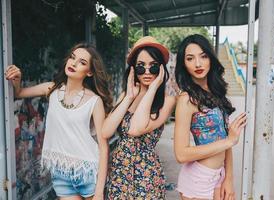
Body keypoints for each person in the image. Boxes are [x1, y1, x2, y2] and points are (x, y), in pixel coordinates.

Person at [5, 43, 112, 200]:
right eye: (72, 57)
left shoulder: (94, 101)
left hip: (88, 171)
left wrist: (100, 191)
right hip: (61, 170)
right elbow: (19, 93)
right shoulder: (52, 89)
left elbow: (103, 147)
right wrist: (17, 79)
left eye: (82, 62)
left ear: (89, 72)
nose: (73, 63)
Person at [174, 34, 247, 200]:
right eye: (190, 58)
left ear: (211, 59)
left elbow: (225, 141)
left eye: (203, 56)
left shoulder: (216, 93)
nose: (198, 64)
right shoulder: (187, 99)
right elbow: (181, 154)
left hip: (218, 175)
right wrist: (229, 140)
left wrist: (228, 179)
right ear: (184, 64)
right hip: (198, 180)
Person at [102, 36, 176, 199]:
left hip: (146, 175)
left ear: (162, 69)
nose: (147, 72)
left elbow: (136, 129)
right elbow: (106, 132)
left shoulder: (167, 101)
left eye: (154, 67)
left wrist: (152, 88)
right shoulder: (127, 95)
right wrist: (129, 97)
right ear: (134, 69)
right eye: (141, 67)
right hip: (119, 172)